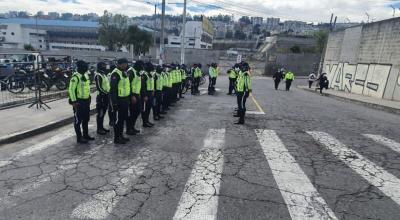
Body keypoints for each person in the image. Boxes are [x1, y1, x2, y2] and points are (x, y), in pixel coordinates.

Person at [68, 60, 94, 144]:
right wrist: (74, 101)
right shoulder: (75, 77)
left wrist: (89, 96)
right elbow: (71, 90)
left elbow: (87, 87)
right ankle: (79, 137)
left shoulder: (85, 75)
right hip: (78, 102)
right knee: (78, 120)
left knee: (86, 118)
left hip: (86, 101)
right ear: (80, 67)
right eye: (85, 66)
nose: (86, 67)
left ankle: (86, 135)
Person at [109, 58, 131, 144]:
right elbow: (113, 90)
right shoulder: (115, 73)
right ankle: (116, 138)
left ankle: (121, 135)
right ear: (120, 64)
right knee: (118, 120)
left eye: (126, 63)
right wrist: (114, 103)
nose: (126, 65)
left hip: (125, 99)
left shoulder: (124, 72)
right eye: (124, 64)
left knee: (122, 119)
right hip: (119, 100)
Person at [126, 61, 143, 135]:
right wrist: (132, 95)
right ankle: (128, 129)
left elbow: (137, 84)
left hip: (137, 95)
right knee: (132, 112)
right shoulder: (131, 72)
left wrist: (138, 93)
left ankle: (132, 127)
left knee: (137, 111)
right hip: (131, 95)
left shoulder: (137, 72)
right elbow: (128, 84)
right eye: (141, 65)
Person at [94, 62, 110, 135]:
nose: (105, 67)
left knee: (103, 113)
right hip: (101, 97)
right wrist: (106, 93)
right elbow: (99, 87)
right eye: (103, 66)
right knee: (100, 113)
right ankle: (99, 129)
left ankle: (101, 127)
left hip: (106, 97)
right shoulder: (98, 75)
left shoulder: (104, 74)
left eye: (105, 65)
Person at [141, 62, 155, 128]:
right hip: (146, 94)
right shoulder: (144, 75)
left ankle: (147, 121)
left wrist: (152, 90)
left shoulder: (150, 74)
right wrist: (145, 95)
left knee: (149, 108)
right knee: (145, 109)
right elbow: (143, 86)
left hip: (150, 93)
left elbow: (151, 83)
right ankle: (144, 122)